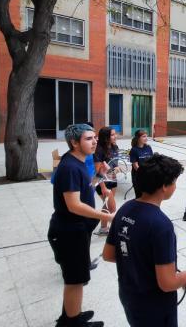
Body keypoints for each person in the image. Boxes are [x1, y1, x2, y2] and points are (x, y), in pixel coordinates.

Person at [103, 154, 186, 327]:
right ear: (164, 187)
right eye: (174, 182)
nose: (175, 186)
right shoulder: (161, 225)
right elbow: (167, 283)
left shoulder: (125, 209)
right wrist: (185, 277)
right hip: (155, 306)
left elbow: (108, 254)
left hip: (129, 296)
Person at [48, 124, 113, 327]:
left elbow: (84, 188)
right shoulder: (69, 167)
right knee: (75, 281)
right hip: (69, 232)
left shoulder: (79, 162)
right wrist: (107, 216)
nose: (94, 141)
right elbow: (73, 205)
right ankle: (72, 323)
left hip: (78, 231)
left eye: (94, 137)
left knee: (75, 279)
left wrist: (100, 177)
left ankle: (70, 316)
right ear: (74, 142)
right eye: (88, 139)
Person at [93, 126, 119, 235]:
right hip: (102, 182)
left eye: (115, 134)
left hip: (112, 179)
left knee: (106, 205)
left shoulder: (114, 147)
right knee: (112, 207)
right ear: (106, 137)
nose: (115, 136)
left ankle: (103, 228)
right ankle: (116, 229)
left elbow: (114, 165)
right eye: (112, 135)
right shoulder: (99, 150)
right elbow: (98, 171)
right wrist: (103, 187)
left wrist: (116, 169)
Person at [129, 129, 154, 199]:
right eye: (144, 136)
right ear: (138, 138)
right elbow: (135, 166)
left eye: (146, 136)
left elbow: (152, 161)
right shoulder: (134, 150)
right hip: (138, 176)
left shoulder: (148, 148)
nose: (146, 138)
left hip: (148, 175)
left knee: (148, 197)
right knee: (139, 197)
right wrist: (144, 173)